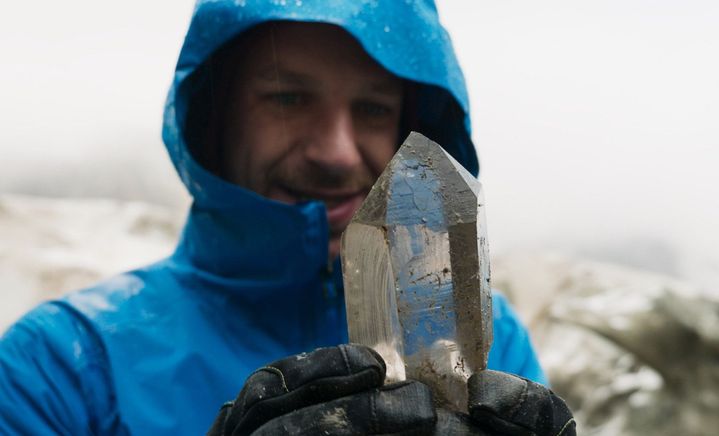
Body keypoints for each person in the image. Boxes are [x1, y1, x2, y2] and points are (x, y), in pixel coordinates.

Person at [0, 1, 574, 434]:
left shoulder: (486, 341)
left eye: (373, 108)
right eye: (288, 98)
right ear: (214, 116)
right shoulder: (56, 366)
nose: (338, 152)